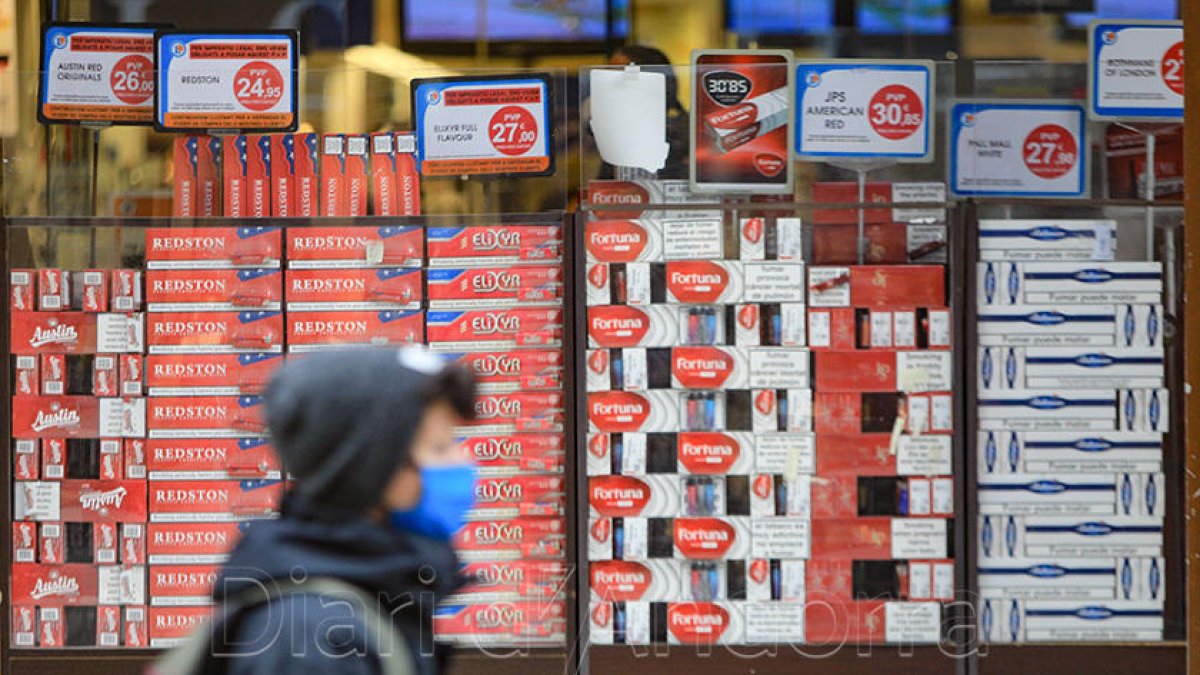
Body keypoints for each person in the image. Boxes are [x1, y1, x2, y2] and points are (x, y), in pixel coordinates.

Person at [189, 348, 476, 675]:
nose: (463, 461)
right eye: (439, 447)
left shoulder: (374, 598)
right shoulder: (313, 640)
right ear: (371, 467)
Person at [600, 44, 691, 180]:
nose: (609, 86)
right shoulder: (620, 131)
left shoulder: (684, 132)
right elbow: (605, 183)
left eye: (618, 78)